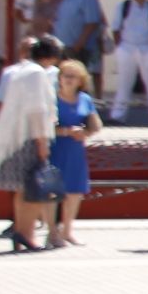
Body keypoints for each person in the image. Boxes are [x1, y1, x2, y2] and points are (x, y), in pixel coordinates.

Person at [0, 36, 64, 252]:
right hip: (29, 138)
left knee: (22, 191)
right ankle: (26, 234)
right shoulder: (36, 74)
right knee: (33, 190)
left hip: (15, 138)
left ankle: (21, 232)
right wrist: (42, 141)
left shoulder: (19, 70)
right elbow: (37, 109)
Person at [47, 58, 101, 246]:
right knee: (53, 191)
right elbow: (43, 126)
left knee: (74, 192)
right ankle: (52, 232)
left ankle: (67, 231)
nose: (68, 79)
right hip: (55, 148)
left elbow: (96, 124)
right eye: (65, 75)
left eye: (73, 76)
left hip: (76, 150)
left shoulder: (85, 99)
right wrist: (65, 131)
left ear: (81, 80)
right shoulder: (51, 99)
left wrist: (85, 132)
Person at [54, 0, 106, 73]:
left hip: (78, 48)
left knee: (79, 79)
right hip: (62, 46)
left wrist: (79, 45)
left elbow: (92, 23)